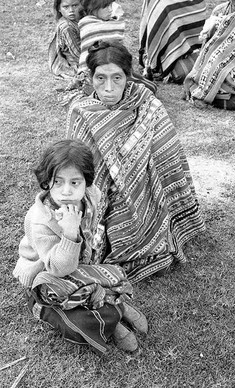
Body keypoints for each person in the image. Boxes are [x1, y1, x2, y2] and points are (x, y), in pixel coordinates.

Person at [66, 41, 205, 283]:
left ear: (128, 77)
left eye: (117, 78)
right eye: (100, 78)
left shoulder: (147, 104)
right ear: (90, 77)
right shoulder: (81, 113)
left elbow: (168, 156)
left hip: (148, 193)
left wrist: (132, 170)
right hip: (104, 199)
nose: (108, 87)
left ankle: (151, 233)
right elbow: (77, 173)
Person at [13, 139, 148, 355]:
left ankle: (114, 304)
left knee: (113, 275)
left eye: (75, 182)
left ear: (86, 182)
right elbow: (59, 269)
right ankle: (114, 315)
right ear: (47, 182)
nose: (66, 191)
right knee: (79, 319)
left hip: (81, 265)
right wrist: (68, 233)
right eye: (58, 182)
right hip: (48, 277)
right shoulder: (40, 219)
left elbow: (94, 226)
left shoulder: (91, 196)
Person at [77, 0, 157, 94]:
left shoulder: (106, 21)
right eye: (105, 7)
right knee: (146, 90)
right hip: (94, 73)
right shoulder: (89, 25)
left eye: (111, 5)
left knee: (150, 87)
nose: (110, 10)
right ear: (91, 6)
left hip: (113, 67)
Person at [48, 0, 82, 90]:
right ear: (59, 8)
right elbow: (77, 54)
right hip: (74, 62)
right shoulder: (67, 27)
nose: (71, 10)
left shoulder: (80, 19)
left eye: (75, 5)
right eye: (66, 7)